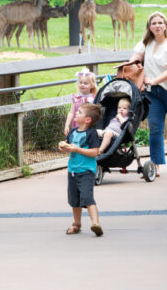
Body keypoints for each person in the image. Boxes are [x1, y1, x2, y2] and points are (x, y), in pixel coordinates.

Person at [128, 12, 167, 176]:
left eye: (160, 23)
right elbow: (135, 57)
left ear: (166, 25)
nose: (157, 26)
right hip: (153, 93)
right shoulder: (146, 43)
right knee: (155, 128)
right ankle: (155, 165)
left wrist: (154, 80)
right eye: (154, 23)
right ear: (149, 26)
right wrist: (135, 66)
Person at [58, 102, 103, 236]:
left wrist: (76, 149)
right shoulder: (72, 132)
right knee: (74, 201)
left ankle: (96, 224)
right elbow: (67, 149)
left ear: (87, 119)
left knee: (88, 198)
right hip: (72, 171)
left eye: (79, 113)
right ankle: (76, 224)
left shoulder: (91, 133)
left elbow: (95, 152)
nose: (75, 114)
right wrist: (62, 146)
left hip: (86, 171)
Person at [64, 68, 97, 136]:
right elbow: (71, 112)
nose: (82, 85)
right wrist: (67, 125)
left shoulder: (92, 99)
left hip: (88, 127)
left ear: (92, 85)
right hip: (76, 126)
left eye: (85, 83)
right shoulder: (76, 98)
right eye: (81, 82)